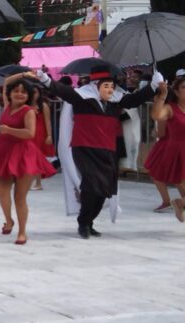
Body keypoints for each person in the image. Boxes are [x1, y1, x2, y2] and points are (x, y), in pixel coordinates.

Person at [33, 66, 162, 238]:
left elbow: (134, 100)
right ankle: (83, 223)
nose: (110, 90)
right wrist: (45, 79)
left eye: (112, 86)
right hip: (84, 148)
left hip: (107, 149)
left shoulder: (116, 100)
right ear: (95, 86)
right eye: (106, 86)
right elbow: (63, 91)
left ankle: (89, 221)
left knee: (104, 188)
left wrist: (153, 86)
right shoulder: (82, 98)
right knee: (91, 184)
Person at [0, 74, 56, 245]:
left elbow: (30, 133)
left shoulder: (28, 111)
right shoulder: (8, 105)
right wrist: (24, 75)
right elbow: (6, 82)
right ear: (9, 94)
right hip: (6, 151)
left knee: (19, 196)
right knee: (2, 191)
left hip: (24, 153)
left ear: (28, 95)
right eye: (16, 91)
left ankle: (22, 232)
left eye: (24, 92)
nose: (20, 94)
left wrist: (8, 130)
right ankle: (9, 220)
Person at [146, 78, 185, 221]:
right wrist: (162, 96)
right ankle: (175, 202)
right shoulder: (170, 108)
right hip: (179, 151)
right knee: (163, 177)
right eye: (184, 87)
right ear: (176, 92)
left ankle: (180, 203)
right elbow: (156, 116)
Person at [30, 85, 55, 190]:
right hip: (29, 133)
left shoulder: (43, 105)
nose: (33, 95)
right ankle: (30, 181)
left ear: (39, 93)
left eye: (35, 92)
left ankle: (38, 183)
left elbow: (48, 121)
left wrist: (49, 135)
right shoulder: (26, 105)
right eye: (32, 92)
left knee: (37, 158)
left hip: (40, 134)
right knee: (30, 158)